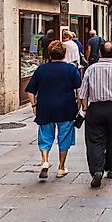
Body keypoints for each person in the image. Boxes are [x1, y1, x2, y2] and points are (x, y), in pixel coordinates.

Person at [79, 42, 112, 187]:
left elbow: (83, 93)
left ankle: (97, 169)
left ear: (100, 53)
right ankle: (111, 168)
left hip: (95, 108)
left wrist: (85, 109)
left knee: (95, 140)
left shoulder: (91, 69)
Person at [25, 40, 82, 180]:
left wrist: (34, 105)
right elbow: (80, 91)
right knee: (65, 136)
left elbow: (30, 90)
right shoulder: (71, 69)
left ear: (50, 54)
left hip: (45, 107)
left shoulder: (42, 69)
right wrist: (79, 105)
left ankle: (44, 161)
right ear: (64, 53)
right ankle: (61, 167)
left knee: (45, 135)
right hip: (66, 107)